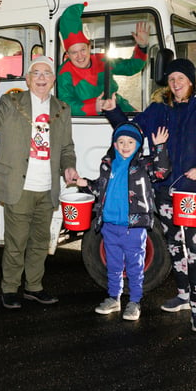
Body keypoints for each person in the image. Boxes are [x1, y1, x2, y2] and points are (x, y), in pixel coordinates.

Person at [103, 58, 196, 333]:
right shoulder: (159, 109)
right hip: (164, 190)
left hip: (193, 191)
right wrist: (113, 112)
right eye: (171, 80)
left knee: (195, 247)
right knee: (174, 243)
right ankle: (183, 294)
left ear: (192, 81)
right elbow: (132, 131)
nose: (176, 84)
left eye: (181, 79)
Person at [0, 56, 79, 309]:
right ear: (28, 79)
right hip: (18, 187)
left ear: (53, 79)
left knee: (40, 243)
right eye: (36, 73)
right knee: (16, 242)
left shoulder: (62, 109)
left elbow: (66, 147)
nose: (42, 77)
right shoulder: (11, 102)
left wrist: (69, 166)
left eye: (46, 73)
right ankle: (10, 288)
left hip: (47, 188)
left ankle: (34, 287)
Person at [76, 122, 170, 321]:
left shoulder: (143, 165)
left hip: (134, 227)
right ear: (115, 144)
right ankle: (114, 298)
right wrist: (84, 184)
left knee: (135, 266)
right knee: (113, 264)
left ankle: (134, 302)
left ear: (137, 145)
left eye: (130, 141)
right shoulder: (107, 164)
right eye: (121, 141)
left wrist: (160, 147)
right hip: (109, 225)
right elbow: (100, 189)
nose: (125, 145)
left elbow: (162, 171)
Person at [56, 2, 150, 115]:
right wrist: (94, 107)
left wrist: (142, 46)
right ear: (68, 54)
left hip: (121, 109)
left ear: (89, 47)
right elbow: (66, 105)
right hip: (91, 121)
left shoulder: (102, 60)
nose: (80, 56)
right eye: (74, 52)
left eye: (83, 50)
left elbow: (130, 67)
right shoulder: (64, 73)